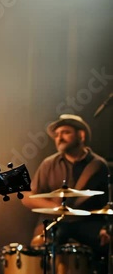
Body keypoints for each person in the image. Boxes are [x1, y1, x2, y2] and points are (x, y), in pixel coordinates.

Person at [21, 114, 111, 272]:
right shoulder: (49, 164)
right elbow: (26, 196)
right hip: (56, 223)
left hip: (87, 224)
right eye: (56, 135)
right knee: (40, 244)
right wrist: (54, 207)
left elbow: (108, 203)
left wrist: (108, 228)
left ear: (81, 135)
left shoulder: (98, 165)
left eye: (65, 132)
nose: (59, 138)